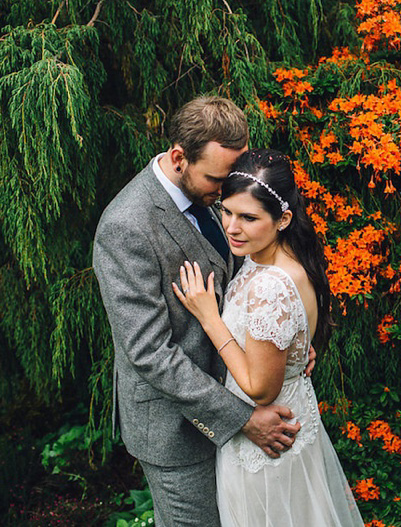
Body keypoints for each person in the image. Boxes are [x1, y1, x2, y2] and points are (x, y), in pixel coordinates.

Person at [93, 96, 302, 527]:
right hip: (176, 432)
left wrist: (284, 343)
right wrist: (242, 418)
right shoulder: (126, 227)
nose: (225, 192)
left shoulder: (217, 196)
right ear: (178, 157)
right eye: (217, 179)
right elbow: (150, 353)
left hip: (237, 393)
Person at [174, 148, 364, 526]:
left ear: (283, 219)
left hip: (265, 445)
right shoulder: (286, 257)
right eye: (226, 211)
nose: (231, 227)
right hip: (292, 425)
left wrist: (211, 318)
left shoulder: (270, 287)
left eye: (248, 217)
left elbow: (261, 389)